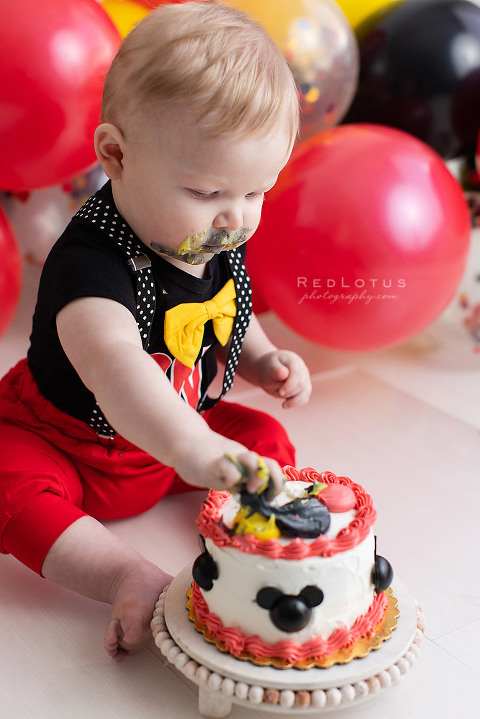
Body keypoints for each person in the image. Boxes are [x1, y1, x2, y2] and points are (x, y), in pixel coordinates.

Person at [0, 1, 311, 661]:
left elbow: (228, 302)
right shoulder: (89, 264)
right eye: (205, 192)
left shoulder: (210, 233)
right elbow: (116, 367)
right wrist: (190, 446)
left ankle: (246, 541)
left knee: (265, 440)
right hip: (73, 443)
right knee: (8, 484)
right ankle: (122, 573)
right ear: (115, 155)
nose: (235, 218)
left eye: (256, 191)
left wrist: (261, 359)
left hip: (178, 438)